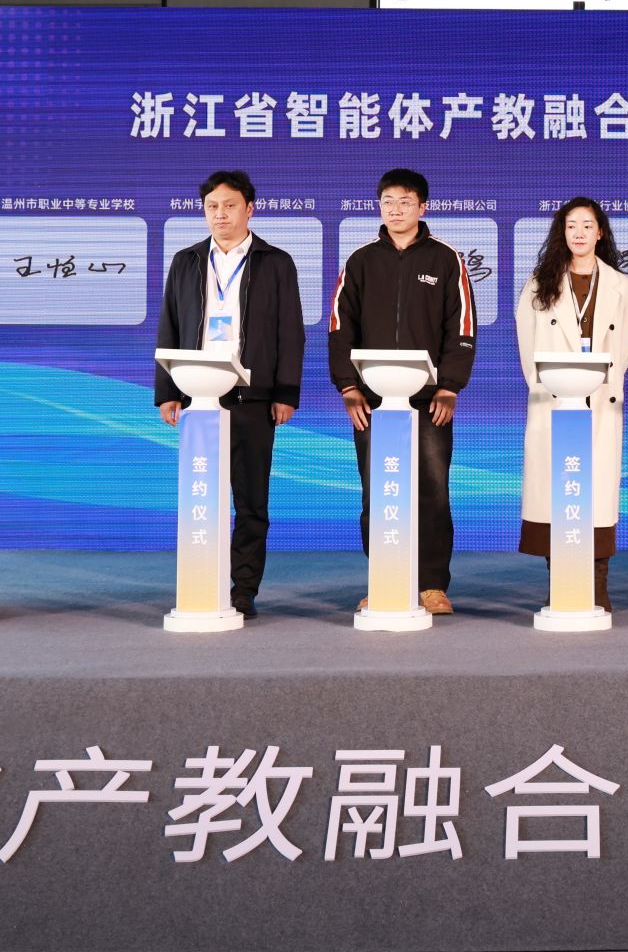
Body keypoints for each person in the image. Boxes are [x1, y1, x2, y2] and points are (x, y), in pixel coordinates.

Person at [154, 170, 305, 619]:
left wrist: (285, 391)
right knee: (202, 492)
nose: (220, 214)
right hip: (198, 396)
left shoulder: (275, 262)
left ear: (249, 209)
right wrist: (167, 390)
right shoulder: (186, 260)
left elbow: (290, 332)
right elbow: (169, 325)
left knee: (251, 499)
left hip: (252, 397)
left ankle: (243, 588)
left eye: (229, 206)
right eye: (212, 207)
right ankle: (204, 581)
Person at [328, 168, 478, 615]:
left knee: (432, 490)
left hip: (429, 400)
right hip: (372, 401)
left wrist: (449, 387)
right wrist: (348, 386)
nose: (396, 210)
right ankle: (386, 579)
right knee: (377, 490)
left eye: (405, 202)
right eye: (388, 202)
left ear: (422, 207)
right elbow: (339, 329)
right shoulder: (360, 261)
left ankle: (431, 585)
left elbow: (462, 328)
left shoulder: (446, 260)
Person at [515, 199, 628, 611]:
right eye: (572, 225)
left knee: (597, 495)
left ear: (600, 232)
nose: (580, 232)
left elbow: (623, 346)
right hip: (555, 400)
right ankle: (562, 581)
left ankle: (597, 582)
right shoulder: (540, 283)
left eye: (588, 225)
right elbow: (528, 345)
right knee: (558, 490)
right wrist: (547, 384)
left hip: (600, 401)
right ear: (562, 232)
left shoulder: (619, 285)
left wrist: (603, 382)